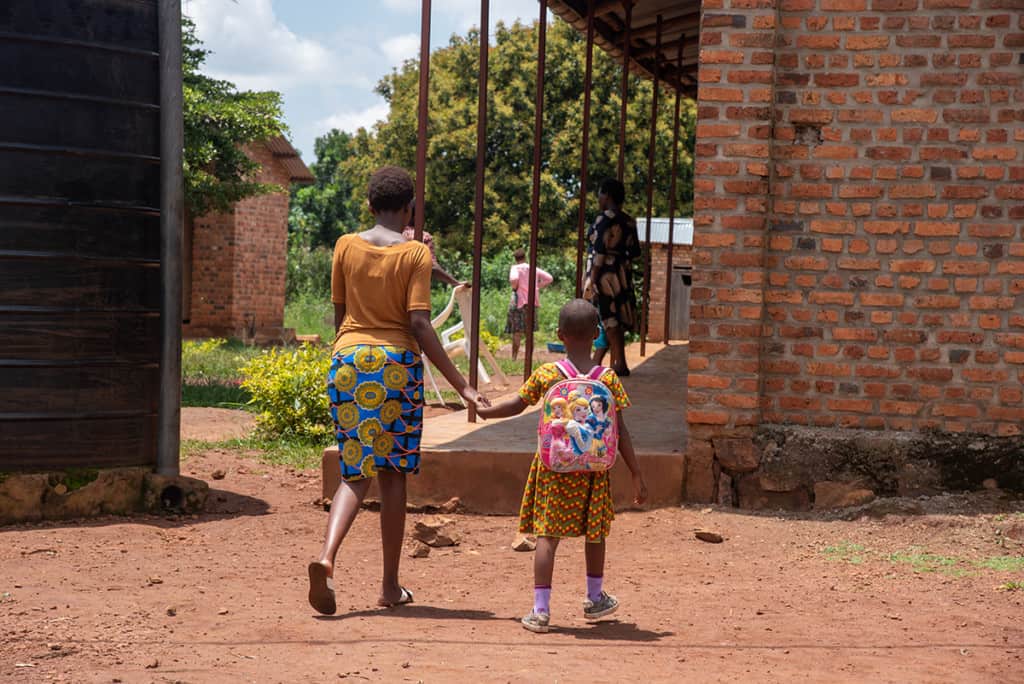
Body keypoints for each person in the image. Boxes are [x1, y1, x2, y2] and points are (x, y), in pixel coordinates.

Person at [308, 166, 489, 615]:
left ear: (369, 206)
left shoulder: (345, 246)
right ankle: (389, 585)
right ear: (409, 208)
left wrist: (346, 355)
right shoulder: (415, 255)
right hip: (395, 368)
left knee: (355, 469)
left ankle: (328, 557)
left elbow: (339, 314)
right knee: (391, 474)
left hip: (347, 361)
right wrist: (462, 385)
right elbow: (420, 324)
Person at [477, 299, 648, 633]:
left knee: (547, 535)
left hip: (555, 468)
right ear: (598, 334)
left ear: (559, 335)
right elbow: (620, 429)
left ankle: (541, 611)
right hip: (595, 472)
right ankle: (595, 598)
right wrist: (637, 473)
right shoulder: (608, 378)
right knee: (595, 533)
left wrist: (486, 411)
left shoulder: (548, 374)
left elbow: (517, 404)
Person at [585, 178, 641, 376]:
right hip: (621, 273)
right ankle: (619, 362)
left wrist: (593, 278)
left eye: (600, 194)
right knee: (615, 317)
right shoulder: (629, 220)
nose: (599, 198)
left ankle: (617, 363)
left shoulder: (603, 219)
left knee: (608, 318)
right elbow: (635, 251)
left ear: (606, 195)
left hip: (604, 275)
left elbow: (599, 250)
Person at [504, 248, 553, 360]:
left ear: (515, 259)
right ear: (525, 257)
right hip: (532, 302)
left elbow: (514, 278)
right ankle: (528, 359)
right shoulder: (532, 268)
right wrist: (536, 286)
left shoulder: (515, 268)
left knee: (517, 332)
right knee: (529, 332)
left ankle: (514, 358)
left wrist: (515, 287)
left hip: (518, 302)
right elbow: (549, 278)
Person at [402, 208, 464, 287]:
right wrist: (455, 282)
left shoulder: (396, 234)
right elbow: (432, 266)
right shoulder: (424, 237)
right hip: (416, 290)